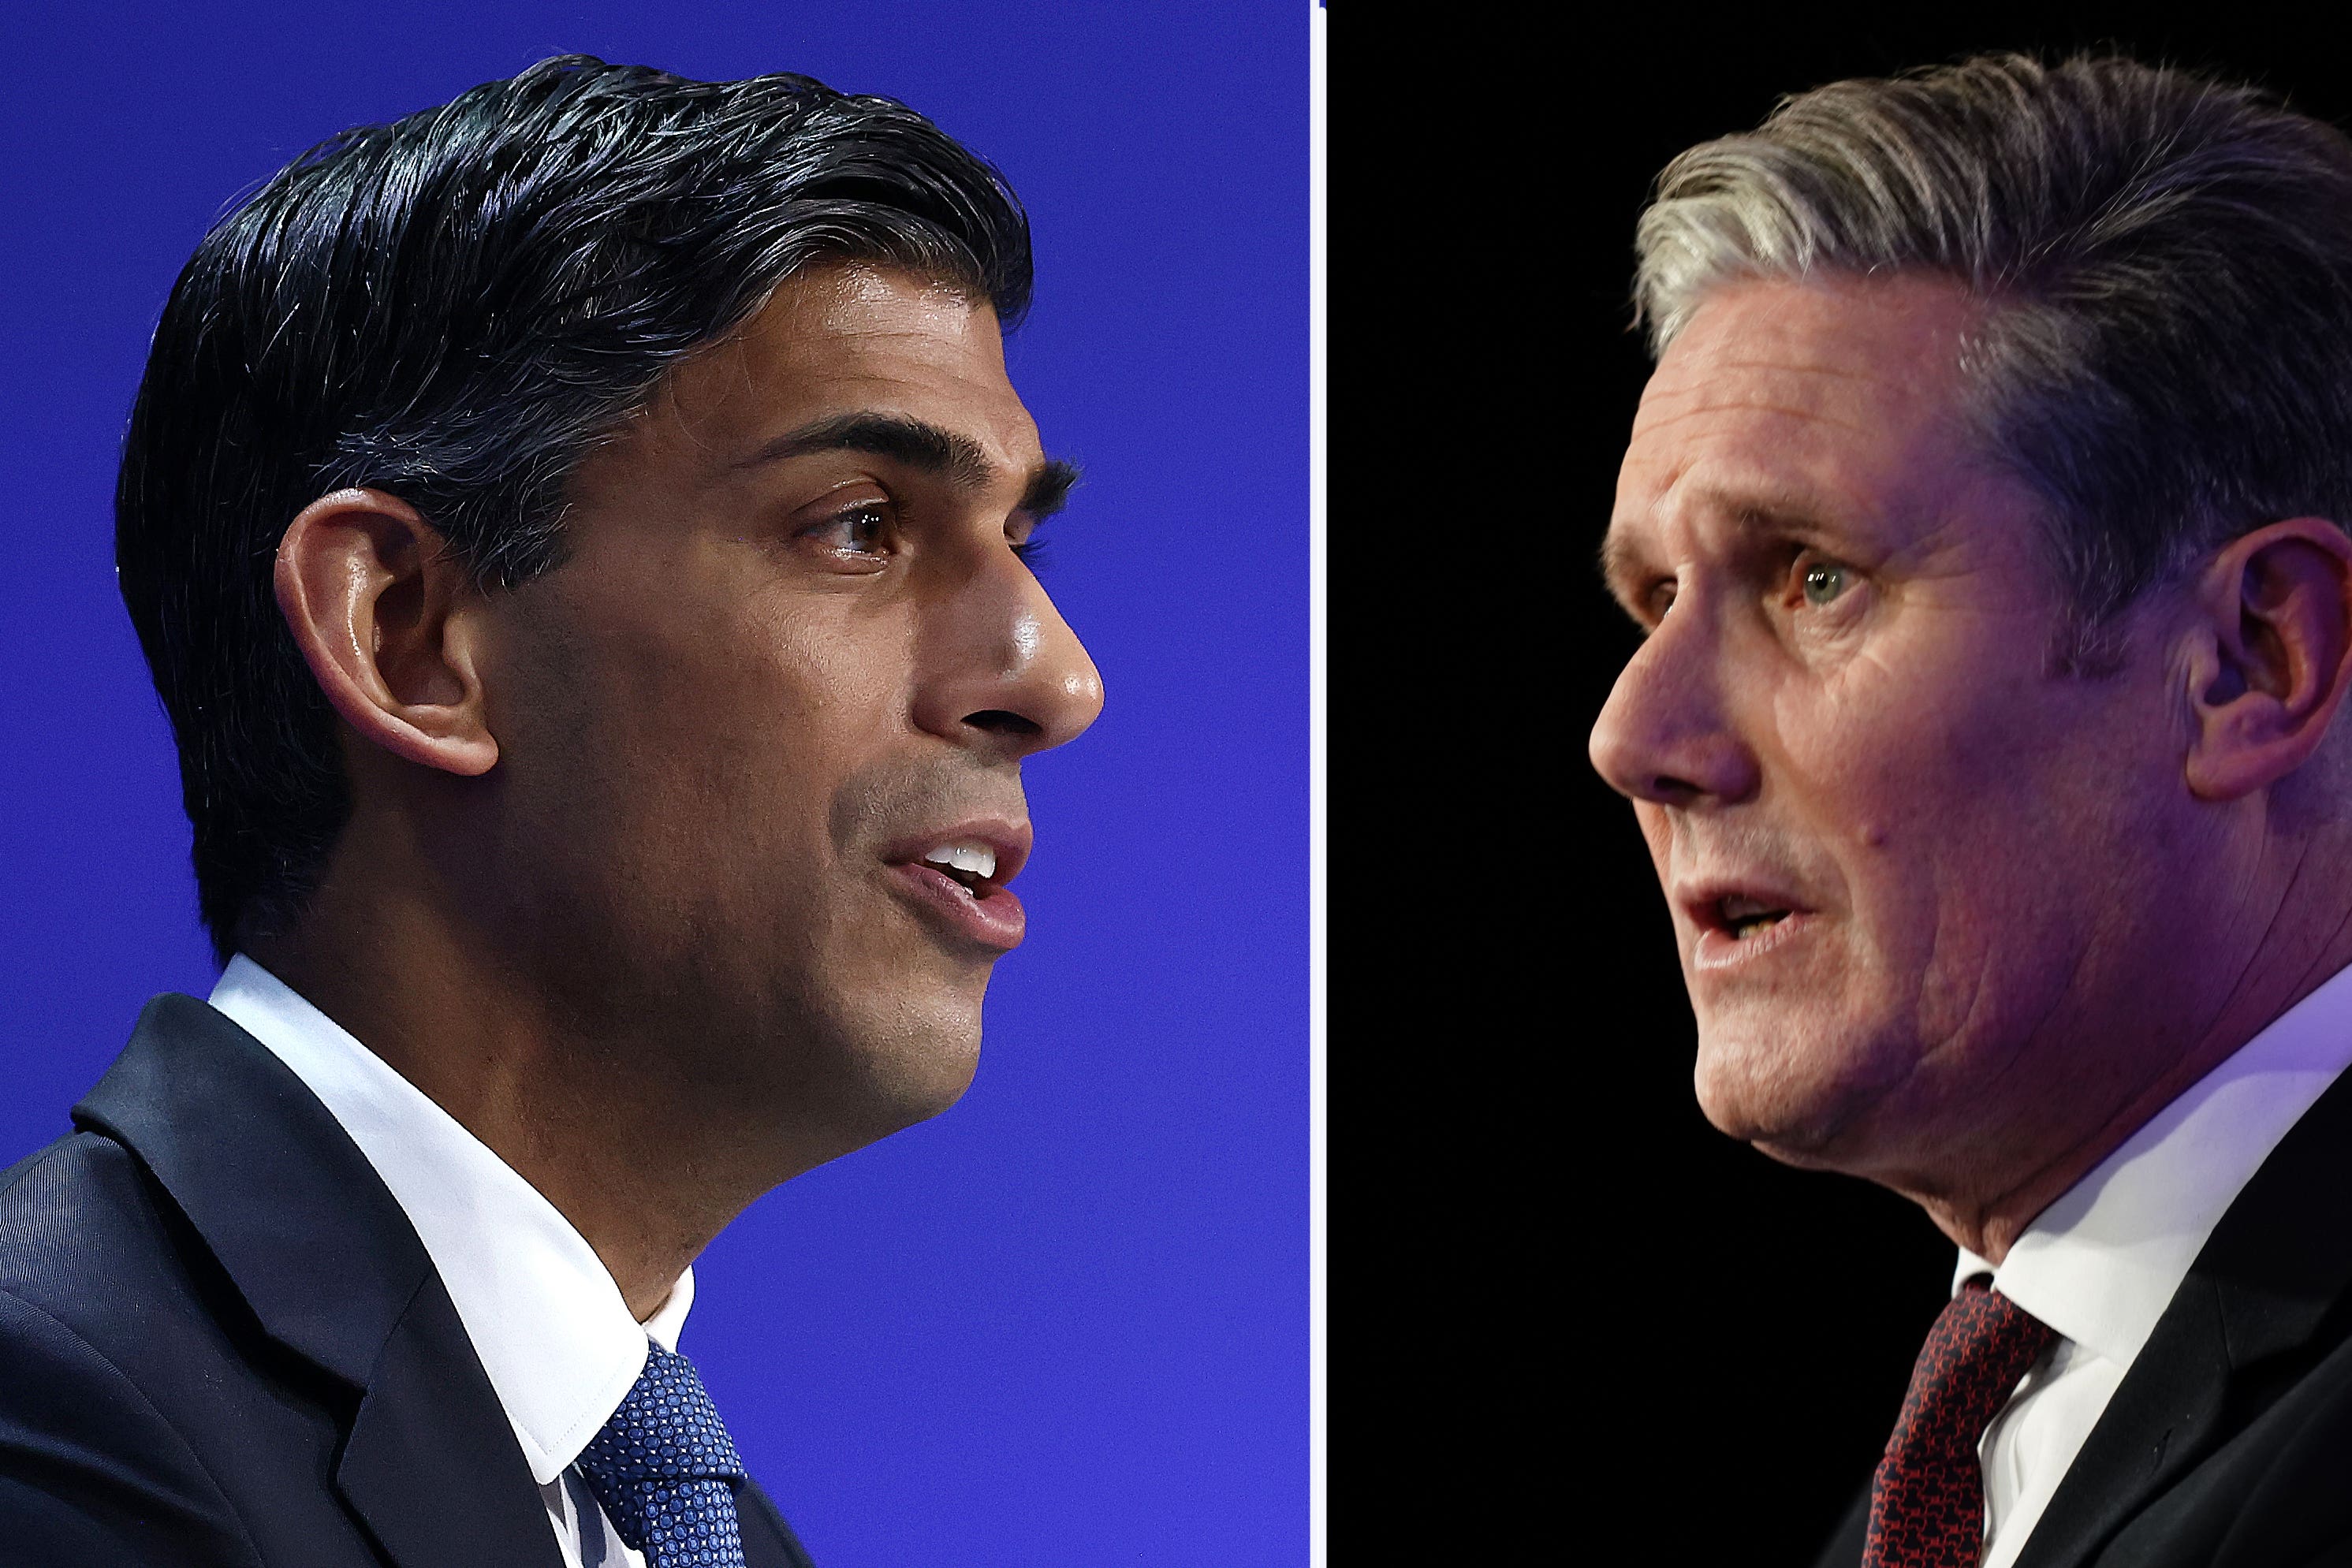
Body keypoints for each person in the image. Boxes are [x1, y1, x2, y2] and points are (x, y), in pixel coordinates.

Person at [0, 54, 1101, 1568]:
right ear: (407, 636)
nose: (1055, 675)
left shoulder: (713, 1533)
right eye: (861, 527)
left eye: (1020, 539)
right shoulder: (53, 1423)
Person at [1590, 50, 2352, 1568]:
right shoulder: (1938, 1487)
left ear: (2252, 660)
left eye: (1813, 578)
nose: (1635, 737)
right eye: (1653, 599)